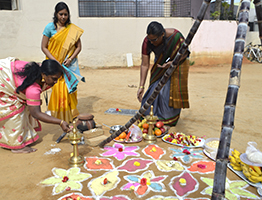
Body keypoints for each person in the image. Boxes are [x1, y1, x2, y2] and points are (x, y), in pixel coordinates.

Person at [0, 57, 71, 153]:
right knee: (16, 108)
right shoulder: (33, 89)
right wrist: (61, 122)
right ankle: (16, 145)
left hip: (7, 71)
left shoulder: (42, 70)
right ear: (43, 75)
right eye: (54, 79)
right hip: (3, 78)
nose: (56, 82)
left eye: (57, 79)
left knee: (27, 104)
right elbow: (36, 114)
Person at [137, 21, 190, 126]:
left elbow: (185, 53)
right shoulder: (147, 42)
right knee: (154, 90)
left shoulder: (176, 36)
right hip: (160, 66)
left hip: (176, 65)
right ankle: (151, 118)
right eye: (150, 39)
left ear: (162, 34)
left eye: (154, 40)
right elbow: (144, 64)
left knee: (166, 92)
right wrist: (141, 86)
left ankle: (166, 120)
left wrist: (172, 63)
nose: (152, 42)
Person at [41, 1, 84, 123]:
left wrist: (70, 59)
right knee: (57, 87)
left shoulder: (72, 30)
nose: (63, 17)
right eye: (61, 14)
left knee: (69, 89)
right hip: (54, 65)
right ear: (56, 14)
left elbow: (78, 47)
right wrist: (55, 61)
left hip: (67, 66)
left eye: (65, 14)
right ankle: (58, 116)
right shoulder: (49, 27)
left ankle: (70, 114)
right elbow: (44, 47)